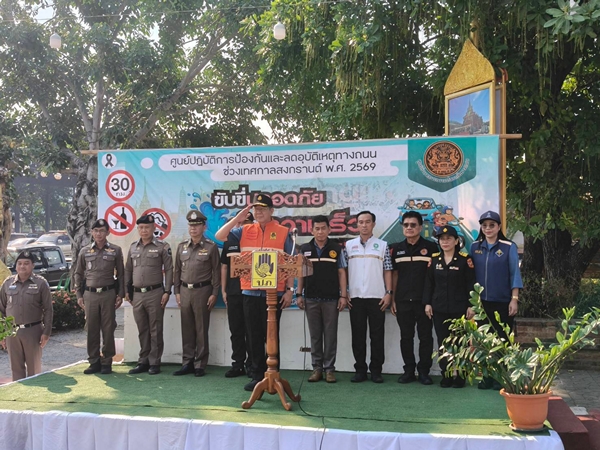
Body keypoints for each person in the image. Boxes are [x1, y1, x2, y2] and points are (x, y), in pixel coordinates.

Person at [215, 194, 295, 392]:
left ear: (271, 211)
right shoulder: (243, 230)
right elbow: (219, 236)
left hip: (274, 294)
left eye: (263, 209)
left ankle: (274, 374)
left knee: (272, 336)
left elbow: (291, 264)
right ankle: (258, 376)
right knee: (253, 336)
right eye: (256, 209)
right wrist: (238, 218)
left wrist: (290, 290)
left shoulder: (283, 232)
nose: (259, 212)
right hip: (250, 292)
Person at [470, 210, 523, 390]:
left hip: (503, 301)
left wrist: (514, 299)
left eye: (492, 225)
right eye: (484, 225)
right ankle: (486, 376)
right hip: (481, 303)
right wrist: (471, 302)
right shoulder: (475, 247)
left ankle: (501, 377)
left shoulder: (508, 247)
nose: (488, 228)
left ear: (499, 227)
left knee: (502, 339)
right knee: (483, 341)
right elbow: (469, 275)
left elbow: (515, 274)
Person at [296, 215, 348, 384]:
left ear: (329, 229)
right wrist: (299, 294)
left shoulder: (336, 248)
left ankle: (329, 369)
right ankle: (317, 368)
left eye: (323, 228)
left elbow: (341, 272)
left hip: (331, 299)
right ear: (312, 231)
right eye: (317, 229)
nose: (320, 232)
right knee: (315, 335)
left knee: (330, 335)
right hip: (311, 298)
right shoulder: (305, 249)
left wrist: (343, 295)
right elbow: (301, 273)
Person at [390, 211, 439, 385]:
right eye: (406, 225)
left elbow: (435, 276)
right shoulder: (396, 249)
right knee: (406, 337)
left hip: (424, 302)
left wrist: (430, 301)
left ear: (420, 227)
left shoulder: (431, 248)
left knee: (425, 337)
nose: (409, 228)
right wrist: (393, 299)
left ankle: (424, 372)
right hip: (403, 301)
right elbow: (395, 275)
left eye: (413, 225)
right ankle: (409, 371)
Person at [423, 226, 475, 388]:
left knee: (460, 342)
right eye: (442, 239)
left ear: (456, 241)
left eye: (449, 239)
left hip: (459, 308)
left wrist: (471, 305)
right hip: (439, 307)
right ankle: (446, 373)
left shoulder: (465, 260)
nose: (445, 242)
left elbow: (471, 284)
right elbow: (429, 283)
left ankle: (460, 374)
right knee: (443, 342)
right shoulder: (434, 260)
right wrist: (427, 303)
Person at [344, 211, 393, 383]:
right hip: (355, 297)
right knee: (358, 336)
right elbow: (343, 271)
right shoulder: (348, 245)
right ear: (356, 225)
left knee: (377, 336)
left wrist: (388, 293)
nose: (364, 225)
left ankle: (376, 371)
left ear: (373, 224)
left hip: (377, 297)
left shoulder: (382, 245)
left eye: (367, 222)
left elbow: (388, 270)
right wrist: (345, 292)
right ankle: (360, 370)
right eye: (360, 222)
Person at [172, 211, 221, 377]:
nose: (193, 228)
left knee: (201, 328)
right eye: (191, 225)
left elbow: (216, 272)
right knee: (186, 328)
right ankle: (187, 362)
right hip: (185, 291)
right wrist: (177, 291)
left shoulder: (211, 247)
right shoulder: (182, 247)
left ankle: (200, 364)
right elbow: (177, 271)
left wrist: (214, 293)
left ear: (204, 227)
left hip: (203, 291)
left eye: (197, 225)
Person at [73, 219, 125, 375]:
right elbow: (78, 274)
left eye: (102, 231)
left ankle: (107, 361)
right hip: (90, 295)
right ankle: (94, 361)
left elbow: (121, 274)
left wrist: (120, 294)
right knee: (91, 329)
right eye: (95, 231)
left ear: (108, 232)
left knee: (108, 328)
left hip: (108, 294)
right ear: (91, 232)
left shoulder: (115, 250)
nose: (98, 234)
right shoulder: (85, 251)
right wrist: (79, 294)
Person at [125, 214, 173, 375]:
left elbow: (169, 269)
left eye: (147, 227)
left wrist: (167, 291)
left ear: (153, 228)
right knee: (142, 329)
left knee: (155, 329)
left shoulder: (162, 246)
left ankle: (154, 362)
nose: (144, 230)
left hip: (155, 293)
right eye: (141, 228)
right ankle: (143, 361)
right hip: (137, 294)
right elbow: (128, 270)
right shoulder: (133, 247)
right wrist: (126, 290)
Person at [0, 251, 53, 381]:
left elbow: (48, 309)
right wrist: (2, 334)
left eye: (26, 263)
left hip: (33, 331)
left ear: (33, 265)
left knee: (34, 370)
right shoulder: (7, 283)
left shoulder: (41, 283)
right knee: (16, 370)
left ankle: (36, 392)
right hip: (12, 333)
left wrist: (46, 332)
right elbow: (1, 310)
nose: (22, 266)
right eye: (19, 263)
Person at [221, 211, 254, 378]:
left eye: (246, 223)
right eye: (239, 223)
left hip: (252, 292)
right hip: (234, 291)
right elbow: (224, 266)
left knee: (252, 331)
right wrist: (223, 290)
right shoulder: (230, 240)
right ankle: (238, 364)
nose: (241, 226)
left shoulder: (255, 241)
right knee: (236, 329)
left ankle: (253, 365)